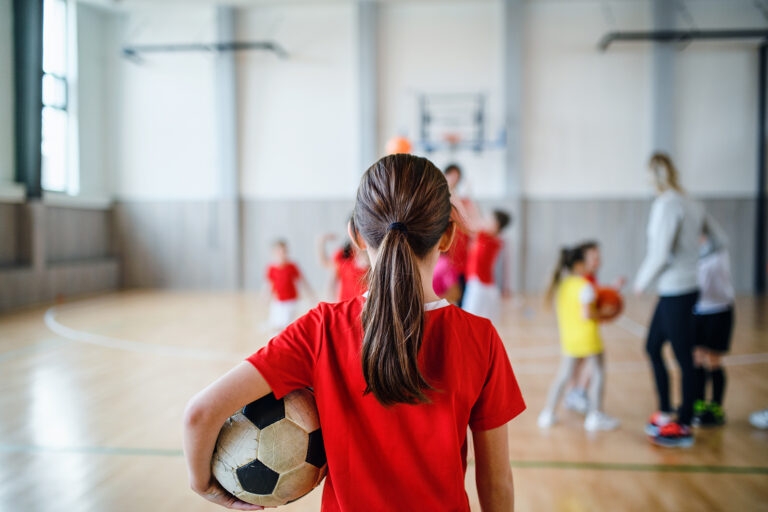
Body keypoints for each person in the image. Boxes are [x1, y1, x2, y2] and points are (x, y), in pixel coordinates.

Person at [184, 154, 525, 511]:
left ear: (357, 236)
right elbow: (495, 480)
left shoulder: (320, 329)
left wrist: (204, 484)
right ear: (448, 237)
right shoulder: (480, 338)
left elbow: (199, 414)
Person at [634, 152, 722, 448]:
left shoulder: (667, 203)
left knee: (684, 356)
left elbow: (659, 253)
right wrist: (694, 261)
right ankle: (667, 411)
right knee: (653, 346)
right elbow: (719, 241)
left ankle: (684, 423)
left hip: (676, 290)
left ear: (653, 175)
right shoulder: (692, 202)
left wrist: (640, 282)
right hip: (681, 288)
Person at [538, 244, 620, 432]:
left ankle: (547, 413)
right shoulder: (585, 287)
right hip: (588, 338)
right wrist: (605, 312)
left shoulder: (563, 285)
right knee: (598, 373)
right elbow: (587, 314)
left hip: (569, 338)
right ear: (579, 265)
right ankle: (595, 416)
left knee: (563, 376)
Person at [563, 241, 625, 415]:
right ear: (582, 261)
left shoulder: (585, 279)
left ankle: (573, 394)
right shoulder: (584, 280)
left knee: (578, 364)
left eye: (599, 257)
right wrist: (604, 312)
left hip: (576, 332)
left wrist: (613, 289)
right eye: (594, 258)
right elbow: (589, 308)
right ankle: (578, 394)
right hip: (583, 332)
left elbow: (597, 296)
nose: (598, 261)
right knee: (591, 367)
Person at [692, 226, 734, 427]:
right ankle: (698, 404)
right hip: (697, 311)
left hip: (719, 311)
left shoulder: (717, 255)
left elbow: (703, 284)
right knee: (697, 358)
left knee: (713, 360)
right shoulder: (691, 256)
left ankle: (716, 407)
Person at [462, 210, 512, 324]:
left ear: (496, 225)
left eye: (489, 220)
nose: (484, 221)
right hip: (483, 286)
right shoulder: (487, 237)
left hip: (480, 286)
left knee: (470, 320)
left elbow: (470, 222)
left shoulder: (489, 239)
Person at [265, 239, 312, 332]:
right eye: (279, 251)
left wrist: (310, 295)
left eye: (284, 251)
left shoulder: (292, 266)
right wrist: (266, 296)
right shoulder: (271, 268)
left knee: (285, 325)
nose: (282, 254)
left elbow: (303, 281)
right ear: (274, 253)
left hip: (290, 301)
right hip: (278, 301)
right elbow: (269, 284)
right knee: (274, 324)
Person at [317, 224, 369, 302]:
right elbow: (325, 263)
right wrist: (321, 242)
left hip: (362, 304)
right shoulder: (343, 259)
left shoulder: (369, 260)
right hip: (345, 304)